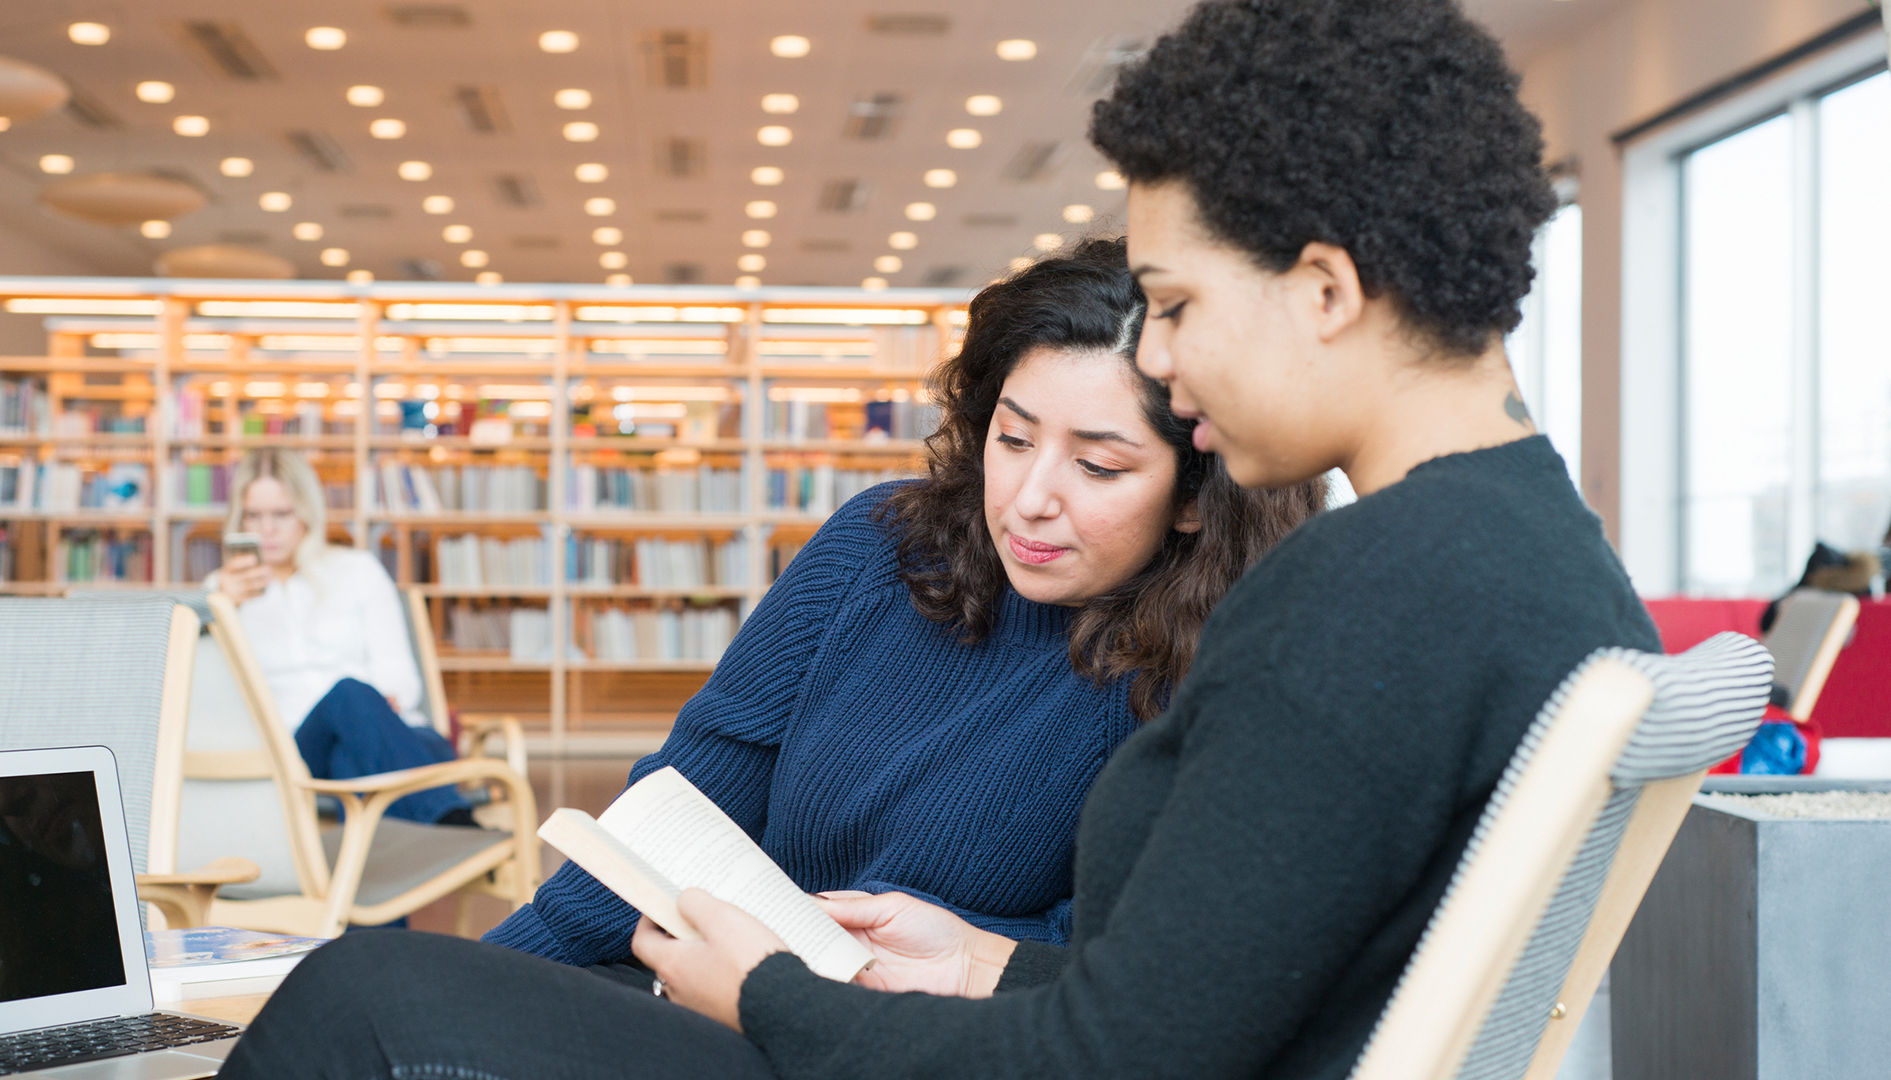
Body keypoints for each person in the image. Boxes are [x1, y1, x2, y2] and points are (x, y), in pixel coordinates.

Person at [219, 2, 1661, 1076]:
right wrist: (976, 961)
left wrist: (783, 993)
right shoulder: (1540, 561)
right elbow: (1182, 1009)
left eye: (1176, 302)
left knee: (362, 1000)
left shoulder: (1355, 601)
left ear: (1326, 289)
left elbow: (1117, 1061)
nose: (1167, 350)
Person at [482, 237, 1322, 974]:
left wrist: (849, 957)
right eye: (1014, 437)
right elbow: (683, 807)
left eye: (1097, 467)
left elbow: (1115, 968)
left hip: (906, 1045)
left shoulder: (1217, 667)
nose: (1029, 499)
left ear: (1197, 496)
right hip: (701, 998)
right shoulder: (878, 546)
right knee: (389, 996)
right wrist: (496, 976)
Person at [209, 449, 473, 826]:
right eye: (254, 515)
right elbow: (211, 702)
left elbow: (401, 679)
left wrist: (373, 711)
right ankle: (459, 830)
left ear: (307, 513)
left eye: (282, 514)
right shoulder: (219, 595)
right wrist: (221, 605)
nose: (266, 529)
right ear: (239, 518)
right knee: (346, 700)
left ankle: (382, 870)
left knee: (349, 744)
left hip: (400, 738)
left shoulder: (357, 571)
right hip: (300, 754)